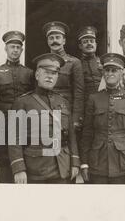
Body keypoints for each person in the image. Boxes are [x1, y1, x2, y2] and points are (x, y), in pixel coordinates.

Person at [8, 53, 80, 184]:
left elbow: (71, 136)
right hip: (36, 167)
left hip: (63, 166)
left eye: (54, 73)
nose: (50, 76)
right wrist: (18, 168)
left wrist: (75, 161)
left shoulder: (63, 102)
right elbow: (14, 138)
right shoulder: (22, 102)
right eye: (46, 72)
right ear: (37, 75)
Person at [80, 53, 125, 184]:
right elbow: (87, 133)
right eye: (107, 70)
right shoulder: (94, 98)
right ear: (103, 73)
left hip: (124, 163)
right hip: (98, 162)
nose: (110, 73)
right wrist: (84, 163)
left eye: (114, 70)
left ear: (121, 73)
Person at [0, 31, 34, 183]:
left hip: (24, 122)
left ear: (22, 50)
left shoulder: (29, 73)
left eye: (18, 47)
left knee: (25, 156)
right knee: (5, 160)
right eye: (12, 47)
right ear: (5, 49)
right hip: (3, 124)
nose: (15, 50)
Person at [42, 21, 85, 129]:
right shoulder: (42, 62)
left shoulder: (74, 62)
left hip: (65, 110)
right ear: (47, 41)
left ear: (64, 41)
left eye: (57, 37)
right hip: (45, 109)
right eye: (51, 38)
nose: (54, 41)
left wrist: (76, 118)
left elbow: (79, 93)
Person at [77, 26, 103, 99]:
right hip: (86, 102)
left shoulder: (103, 62)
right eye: (85, 42)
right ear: (80, 46)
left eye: (92, 41)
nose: (89, 44)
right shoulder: (77, 64)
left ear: (96, 45)